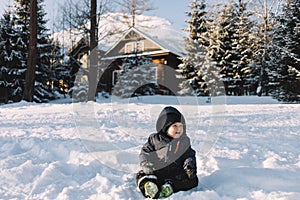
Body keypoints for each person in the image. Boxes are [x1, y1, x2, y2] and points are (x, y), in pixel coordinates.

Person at [136, 106, 198, 199]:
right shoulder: (155, 139)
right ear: (165, 127)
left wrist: (189, 164)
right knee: (140, 175)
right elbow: (145, 153)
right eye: (175, 126)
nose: (179, 129)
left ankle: (170, 187)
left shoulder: (184, 141)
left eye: (181, 126)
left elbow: (189, 154)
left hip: (176, 173)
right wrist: (146, 164)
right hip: (157, 171)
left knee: (193, 180)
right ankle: (150, 186)